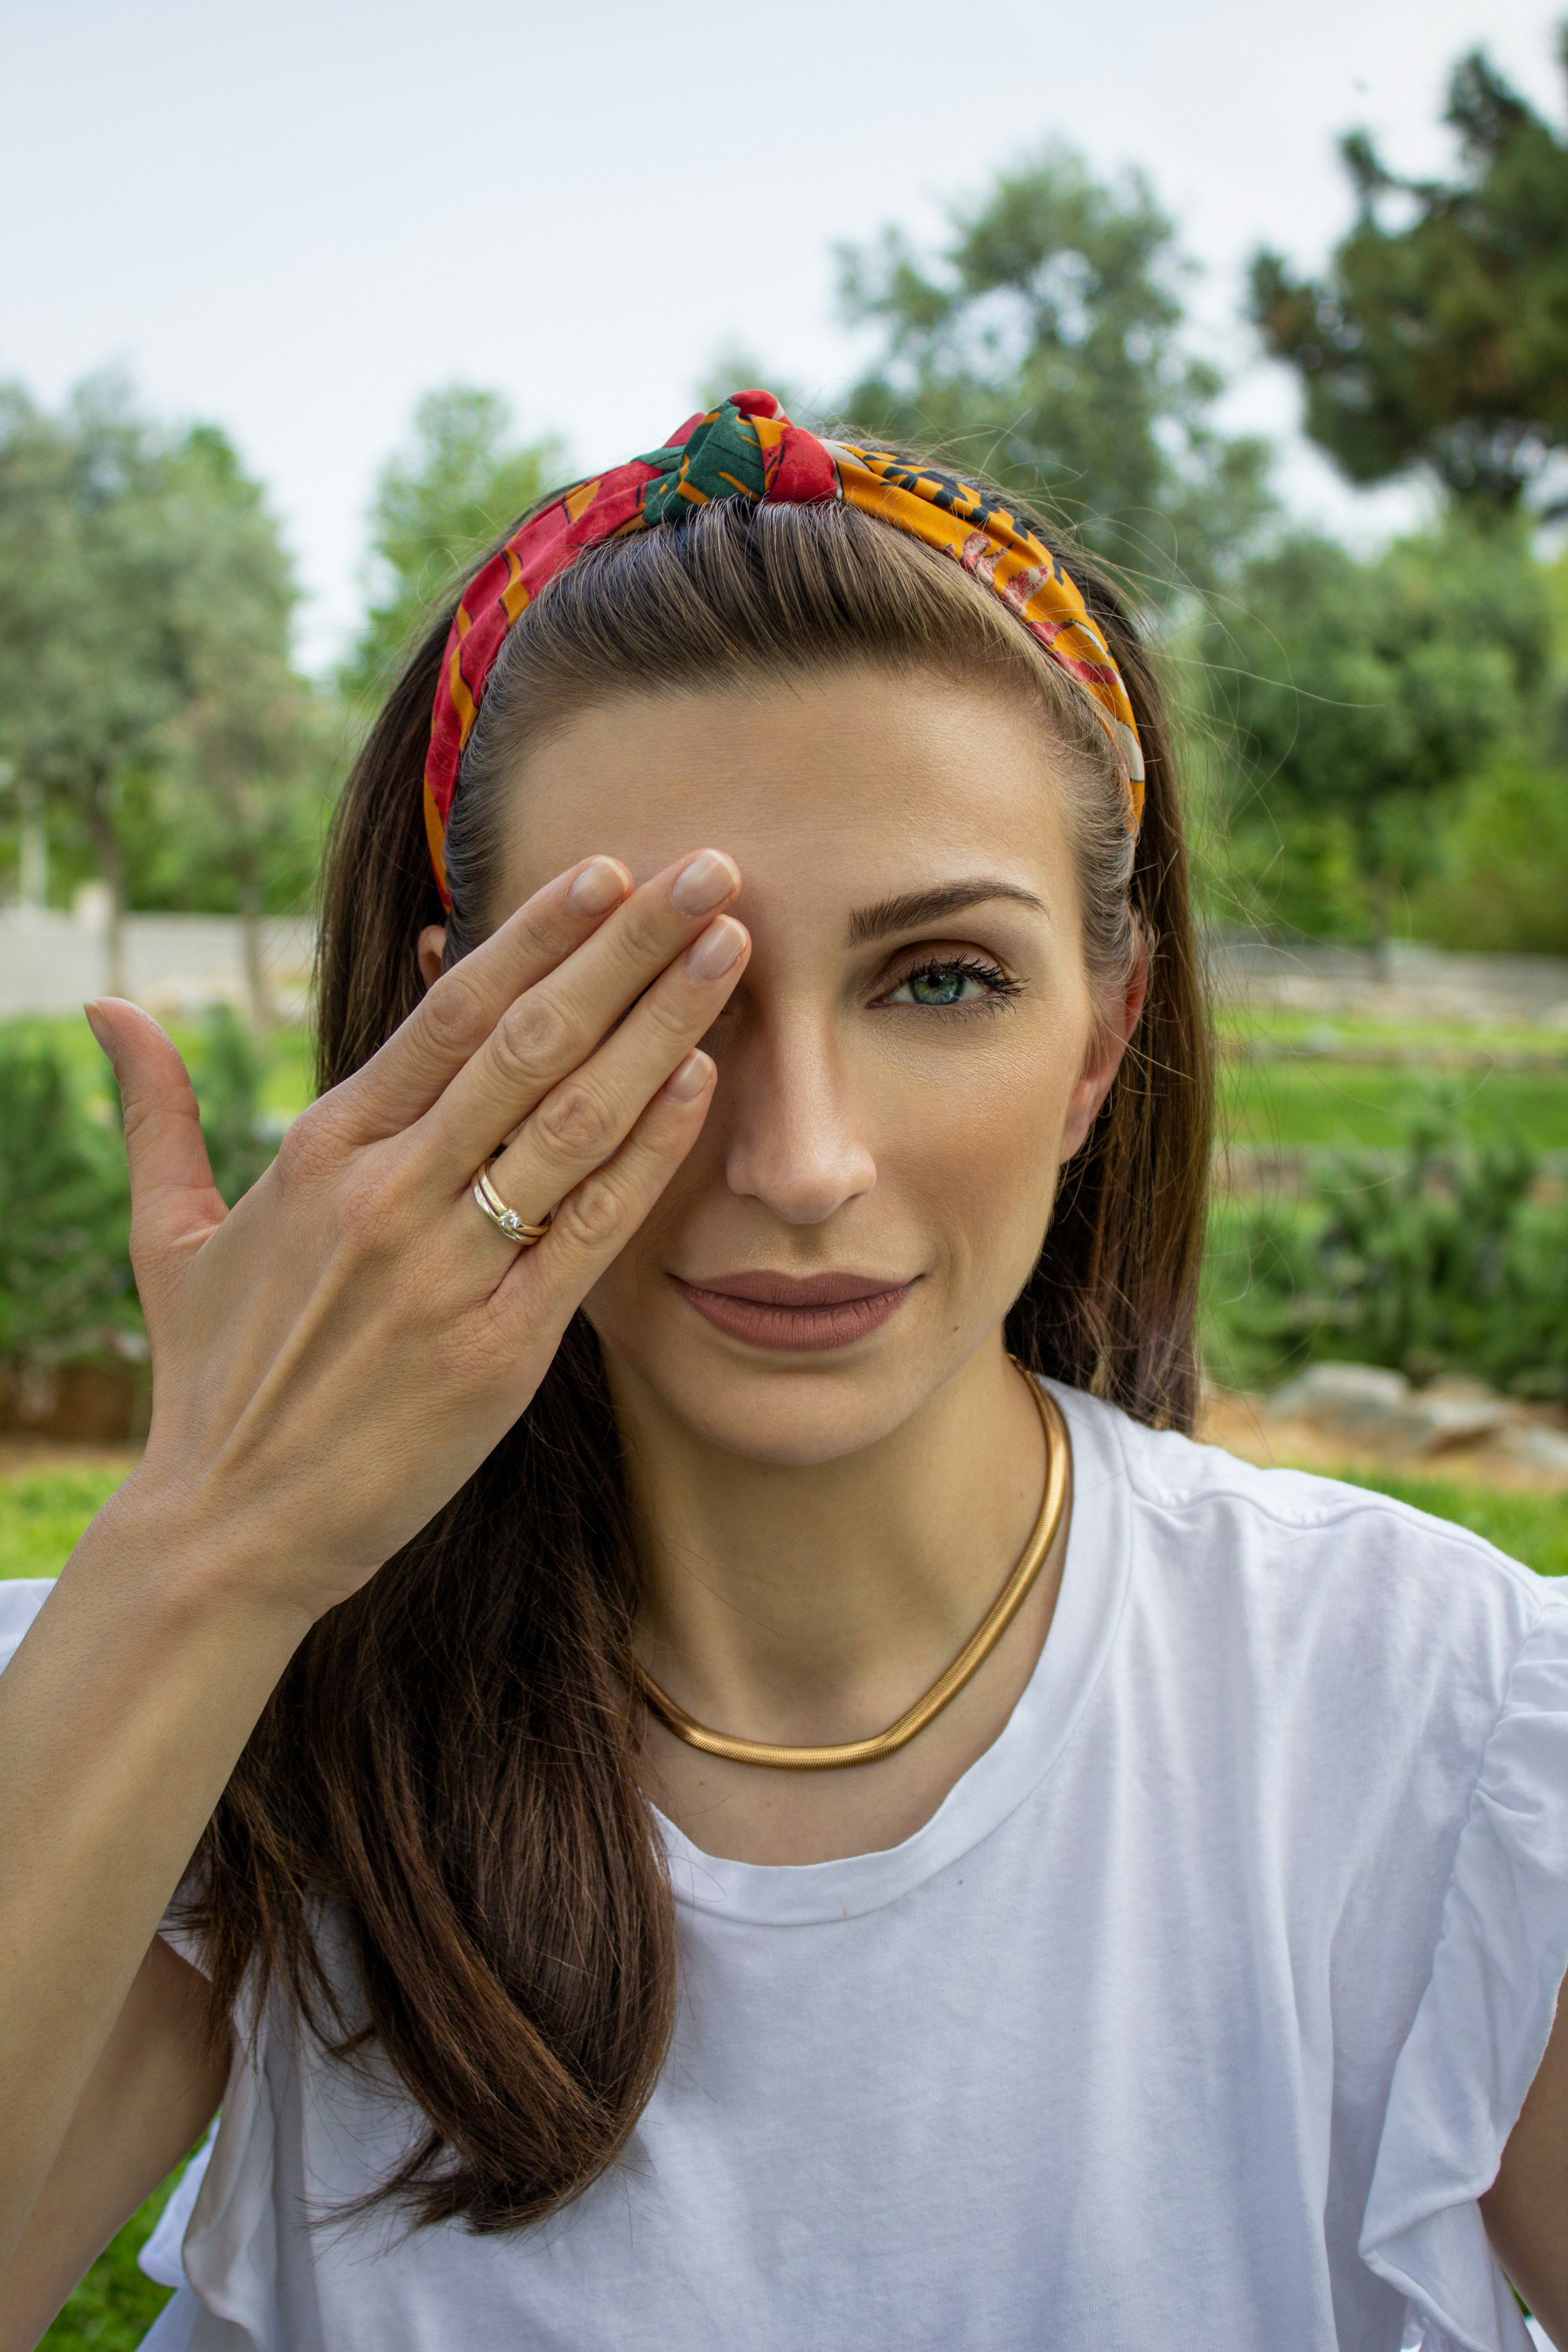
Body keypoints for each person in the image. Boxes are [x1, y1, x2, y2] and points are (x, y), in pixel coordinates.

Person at [0, 392, 1563, 2352]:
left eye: (942, 981)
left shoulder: (1452, 1733)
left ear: (1104, 1041)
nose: (804, 1160)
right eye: (665, 996)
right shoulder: (210, 1723)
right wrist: (209, 1546)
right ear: (456, 1035)